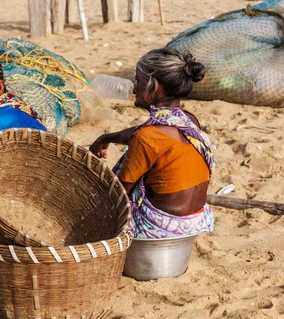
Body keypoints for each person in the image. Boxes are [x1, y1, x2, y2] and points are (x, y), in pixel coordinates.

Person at [90, 47, 215, 239]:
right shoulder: (188, 120)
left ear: (153, 86)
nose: (134, 88)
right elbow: (144, 136)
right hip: (197, 222)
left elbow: (120, 193)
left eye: (138, 80)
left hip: (160, 229)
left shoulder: (147, 137)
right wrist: (106, 138)